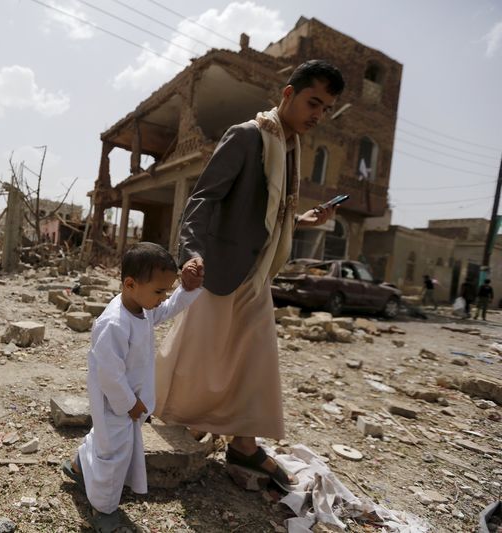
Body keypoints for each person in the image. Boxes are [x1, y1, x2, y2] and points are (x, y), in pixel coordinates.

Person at [154, 60, 343, 490]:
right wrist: (191, 255)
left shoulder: (291, 149)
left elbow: (270, 215)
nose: (318, 114)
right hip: (218, 268)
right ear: (288, 95)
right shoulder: (248, 136)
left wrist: (306, 219)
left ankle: (243, 441)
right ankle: (180, 419)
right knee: (198, 354)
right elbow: (202, 199)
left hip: (256, 274)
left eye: (326, 108)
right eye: (313, 102)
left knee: (253, 357)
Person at [62, 242, 202, 531]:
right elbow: (109, 374)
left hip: (124, 402)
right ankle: (104, 509)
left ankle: (77, 467)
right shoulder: (114, 323)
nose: (163, 298)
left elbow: (166, 310)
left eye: (166, 291)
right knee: (114, 454)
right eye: (159, 291)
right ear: (130, 283)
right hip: (116, 402)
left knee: (104, 439)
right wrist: (131, 404)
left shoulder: (142, 306)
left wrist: (186, 289)